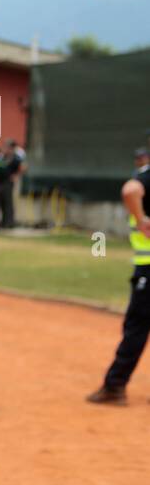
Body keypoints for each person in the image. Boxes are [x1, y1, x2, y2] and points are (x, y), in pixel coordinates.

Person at [87, 149, 150, 405]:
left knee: (136, 326)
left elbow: (130, 191)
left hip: (148, 266)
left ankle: (115, 385)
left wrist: (141, 220)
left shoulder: (146, 175)